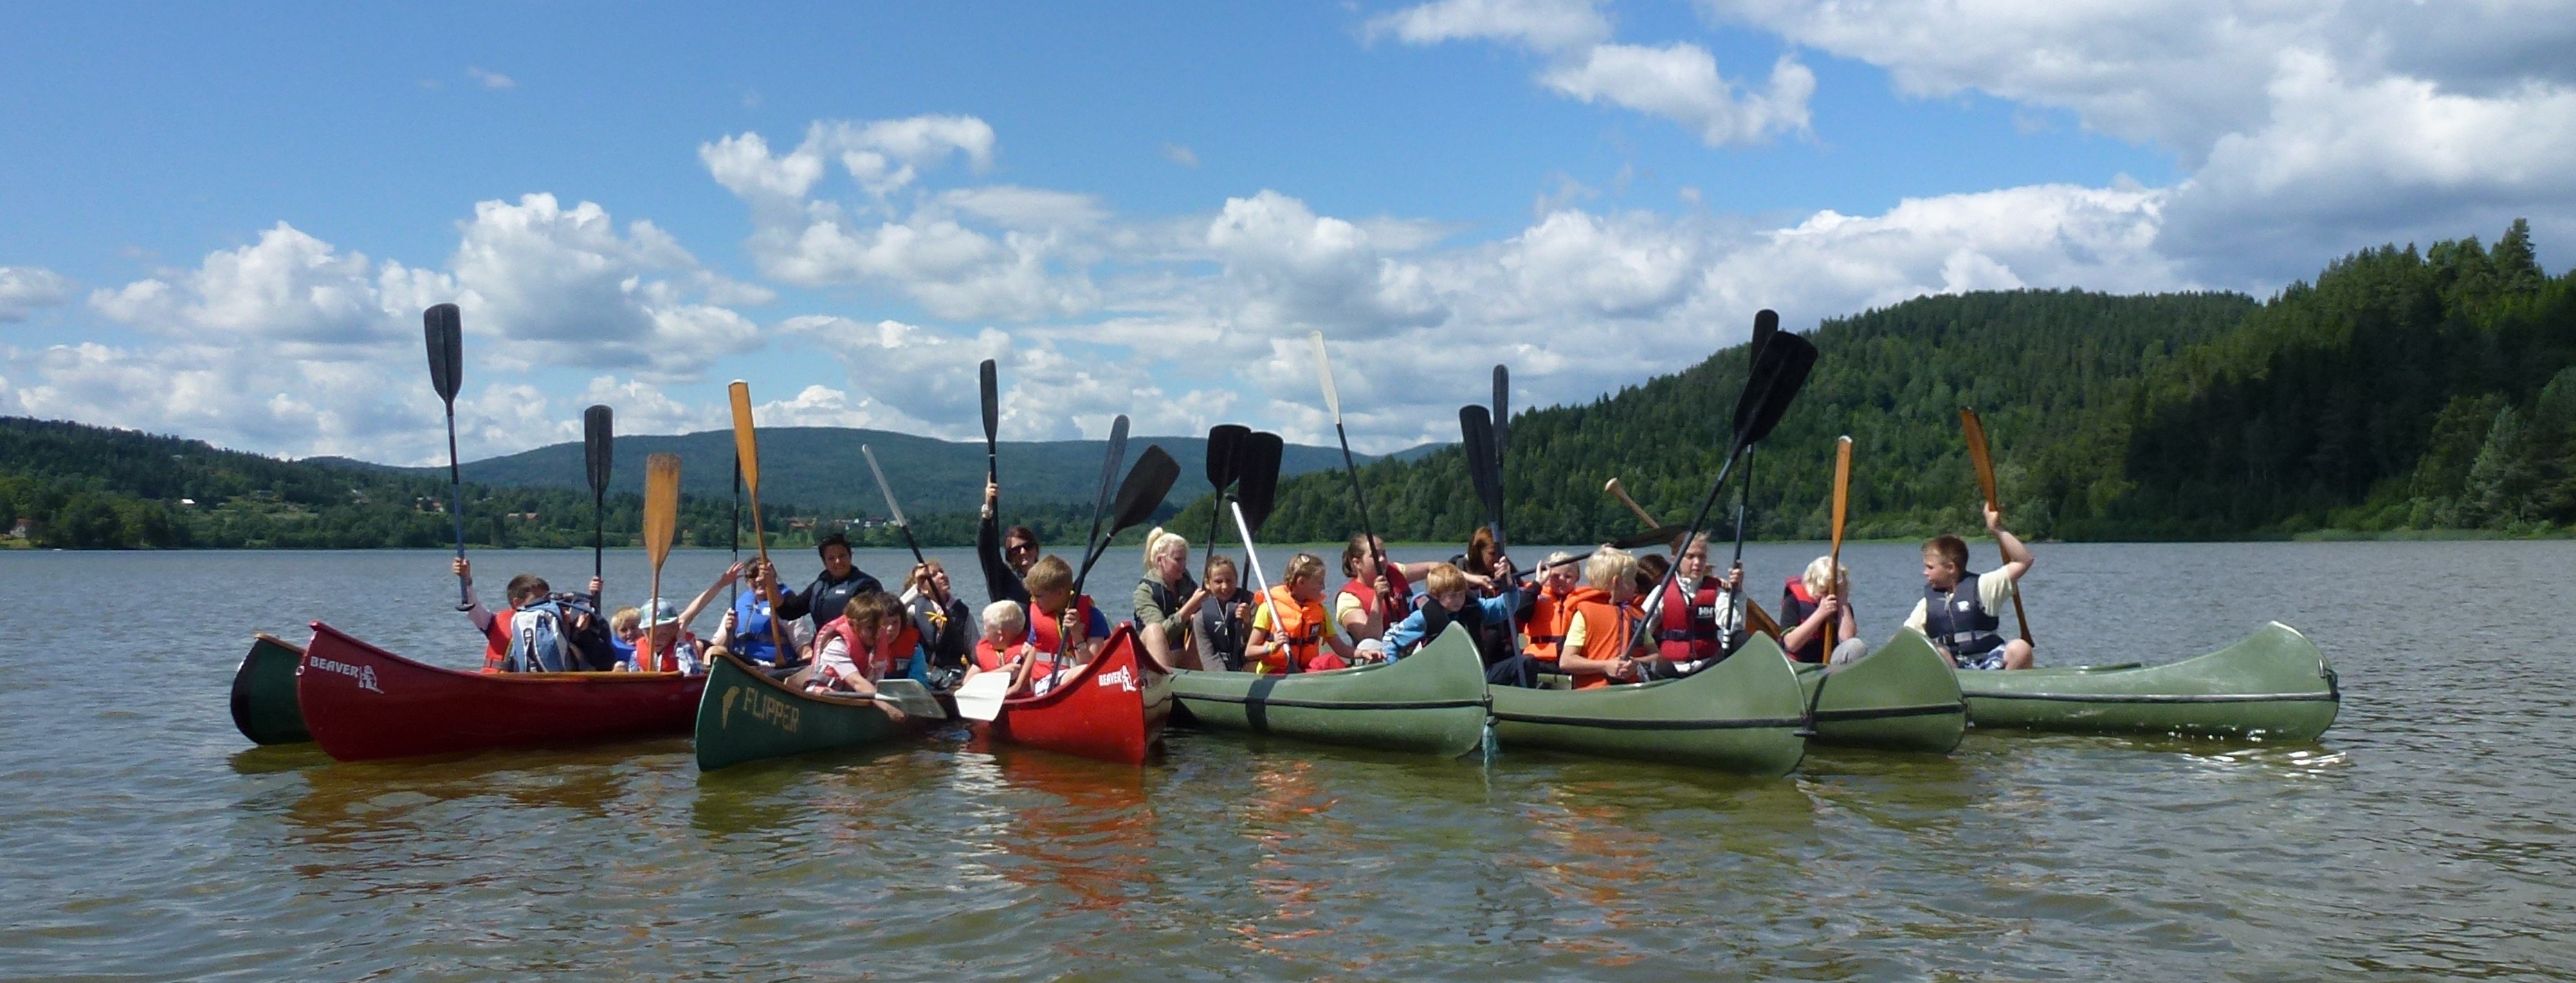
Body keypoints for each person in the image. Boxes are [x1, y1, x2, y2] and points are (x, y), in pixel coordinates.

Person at [1906, 505, 2036, 670]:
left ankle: (1999, 690)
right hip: (1953, 672)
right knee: (1937, 651)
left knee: (2021, 648)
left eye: (1930, 567)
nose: (1925, 573)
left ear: (1951, 568)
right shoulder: (1927, 603)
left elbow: (2023, 560)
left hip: (1989, 661)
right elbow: (1906, 638)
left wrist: (1997, 529)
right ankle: (1962, 691)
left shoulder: (1984, 587)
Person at [451, 557, 604, 673]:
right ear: (517, 603)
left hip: (541, 683)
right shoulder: (493, 622)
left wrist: (593, 596)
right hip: (501, 681)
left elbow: (588, 649)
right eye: (538, 601)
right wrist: (466, 580)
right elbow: (473, 607)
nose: (546, 605)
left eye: (546, 599)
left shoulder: (554, 620)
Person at [1246, 552, 1364, 674]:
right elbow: (1249, 652)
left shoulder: (1319, 611)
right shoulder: (1268, 609)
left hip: (1305, 670)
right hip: (1276, 672)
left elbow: (1340, 648)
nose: (1323, 587)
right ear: (1301, 582)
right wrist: (1271, 647)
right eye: (1319, 582)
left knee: (1329, 660)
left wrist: (1362, 653)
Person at [1644, 535, 1746, 669]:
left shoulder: (1716, 591)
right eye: (1690, 557)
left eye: (1702, 557)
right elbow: (1642, 630)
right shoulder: (1661, 592)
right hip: (1672, 667)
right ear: (1676, 560)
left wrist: (1737, 593)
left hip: (1708, 664)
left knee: (1741, 639)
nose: (1697, 562)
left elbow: (1734, 627)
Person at [1558, 547, 1654, 688]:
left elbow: (1657, 656)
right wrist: (1605, 666)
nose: (1635, 585)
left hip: (1630, 691)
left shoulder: (1635, 615)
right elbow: (1566, 661)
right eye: (1632, 579)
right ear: (1617, 582)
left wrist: (1636, 663)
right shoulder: (1585, 614)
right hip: (1596, 694)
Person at [1381, 561, 1519, 659]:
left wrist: (1509, 584)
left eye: (1461, 594)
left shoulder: (1473, 607)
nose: (1459, 600)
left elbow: (1505, 607)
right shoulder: (1423, 617)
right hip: (1437, 676)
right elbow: (1390, 639)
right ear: (1435, 595)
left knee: (1525, 662)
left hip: (1472, 674)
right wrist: (1393, 667)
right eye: (1452, 596)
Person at [809, 591, 924, 702]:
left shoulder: (878, 646)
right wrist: (888, 708)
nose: (876, 634)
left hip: (857, 695)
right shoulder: (837, 647)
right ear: (852, 625)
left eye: (879, 627)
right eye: (869, 628)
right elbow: (857, 682)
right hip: (827, 694)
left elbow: (877, 682)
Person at [1487, 551, 1580, 687]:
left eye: (1568, 576)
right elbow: (1520, 611)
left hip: (1567, 662)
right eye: (1556, 576)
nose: (1561, 580)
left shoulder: (1583, 599)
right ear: (1547, 576)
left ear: (1577, 578)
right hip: (1539, 662)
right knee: (1527, 664)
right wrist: (1537, 583)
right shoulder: (1534, 595)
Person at [1333, 534, 1443, 647]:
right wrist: (1378, 600)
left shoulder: (1395, 572)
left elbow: (1431, 568)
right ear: (1357, 563)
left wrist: (1458, 576)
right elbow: (1368, 639)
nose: (1382, 560)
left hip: (1415, 647)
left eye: (1384, 554)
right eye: (1375, 556)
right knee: (1369, 645)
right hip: (1381, 654)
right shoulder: (1348, 598)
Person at [774, 535, 882, 641]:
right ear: (824, 562)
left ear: (850, 556)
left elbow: (873, 623)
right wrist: (770, 582)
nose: (838, 562)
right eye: (831, 558)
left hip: (850, 646)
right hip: (822, 647)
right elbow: (789, 612)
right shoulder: (820, 584)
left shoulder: (867, 586)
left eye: (842, 556)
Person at [637, 562, 740, 673]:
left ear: (673, 630)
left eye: (663, 634)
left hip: (703, 651)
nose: (658, 639)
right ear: (643, 632)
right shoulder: (639, 648)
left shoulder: (679, 631)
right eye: (652, 634)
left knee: (715, 650)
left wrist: (721, 584)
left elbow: (696, 607)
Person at [1023, 554, 1111, 682]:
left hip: (1081, 679)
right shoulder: (1038, 613)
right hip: (1045, 680)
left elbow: (1090, 667)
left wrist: (1076, 635)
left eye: (1039, 596)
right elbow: (1034, 649)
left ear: (1060, 593)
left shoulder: (1093, 616)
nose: (1035, 601)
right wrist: (1019, 684)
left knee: (1083, 672)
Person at [1131, 528, 1206, 672]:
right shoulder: (1144, 591)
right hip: (1152, 659)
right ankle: (1166, 685)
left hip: (1183, 655)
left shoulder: (1186, 583)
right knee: (1155, 630)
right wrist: (1190, 607)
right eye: (1178, 560)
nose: (1184, 566)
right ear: (1160, 560)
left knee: (1202, 619)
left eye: (1185, 560)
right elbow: (1162, 636)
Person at [900, 558, 974, 689]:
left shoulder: (962, 611)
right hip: (921, 673)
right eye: (934, 575)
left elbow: (975, 646)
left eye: (941, 571)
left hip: (953, 675)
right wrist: (916, 588)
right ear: (923, 585)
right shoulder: (913, 610)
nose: (942, 576)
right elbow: (892, 611)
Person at [1779, 556, 1867, 666]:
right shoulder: (1793, 600)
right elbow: (1791, 644)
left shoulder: (1841, 605)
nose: (1830, 595)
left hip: (1830, 665)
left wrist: (1843, 602)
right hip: (1798, 665)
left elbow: (1847, 638)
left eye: (1835, 591)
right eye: (1824, 591)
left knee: (1856, 646)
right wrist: (1820, 613)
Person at [966, 600, 1055, 697]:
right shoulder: (985, 649)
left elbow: (1031, 685)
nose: (984, 634)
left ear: (1000, 635)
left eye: (986, 630)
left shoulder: (1026, 651)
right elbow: (967, 682)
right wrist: (1002, 671)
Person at [976, 477, 1041, 605]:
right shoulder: (1002, 579)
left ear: (1036, 549)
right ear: (1009, 556)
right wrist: (988, 510)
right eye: (1015, 550)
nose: (1023, 552)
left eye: (1027, 546)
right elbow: (987, 550)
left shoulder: (1051, 579)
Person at [725, 558, 796, 668]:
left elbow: (804, 648)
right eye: (753, 576)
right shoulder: (739, 605)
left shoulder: (786, 606)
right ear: (747, 581)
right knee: (712, 650)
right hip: (740, 662)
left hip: (770, 667)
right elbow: (718, 643)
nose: (758, 580)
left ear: (773, 577)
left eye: (763, 575)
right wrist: (728, 631)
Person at [1190, 555, 1256, 672]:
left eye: (1229, 581)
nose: (1225, 587)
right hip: (1219, 670)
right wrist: (1224, 679)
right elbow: (1209, 656)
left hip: (1249, 665)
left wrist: (1247, 623)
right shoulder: (1201, 617)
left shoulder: (1251, 604)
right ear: (1207, 583)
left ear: (1237, 579)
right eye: (1218, 582)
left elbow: (1257, 644)